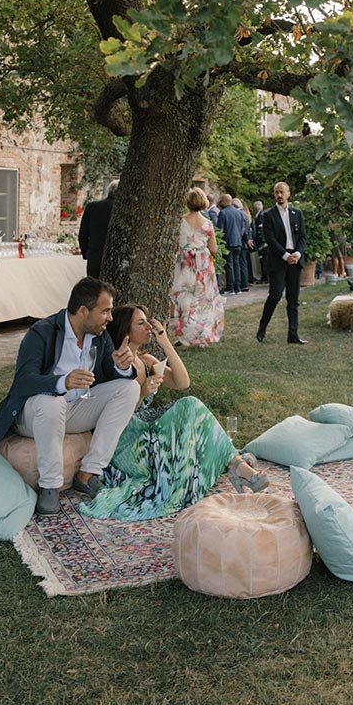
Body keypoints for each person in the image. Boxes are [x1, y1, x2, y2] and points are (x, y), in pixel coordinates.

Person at [79, 303, 266, 520]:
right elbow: (114, 415)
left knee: (190, 404)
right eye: (141, 323)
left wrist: (165, 342)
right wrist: (141, 393)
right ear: (125, 331)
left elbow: (182, 382)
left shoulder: (147, 361)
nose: (148, 326)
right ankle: (236, 465)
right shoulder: (112, 363)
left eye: (148, 322)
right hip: (127, 439)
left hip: (149, 429)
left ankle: (236, 465)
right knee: (189, 409)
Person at [0, 276, 140, 514]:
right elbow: (24, 381)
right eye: (105, 311)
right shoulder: (42, 332)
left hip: (75, 409)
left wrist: (123, 366)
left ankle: (89, 473)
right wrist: (62, 381)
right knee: (51, 401)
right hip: (35, 413)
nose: (110, 318)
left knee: (130, 388)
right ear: (83, 310)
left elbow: (111, 372)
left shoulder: (100, 335)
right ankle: (50, 486)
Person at [169, 187, 224, 347]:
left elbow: (174, 247)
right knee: (203, 300)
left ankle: (183, 335)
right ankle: (201, 337)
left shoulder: (180, 221)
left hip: (184, 263)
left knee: (183, 298)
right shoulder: (207, 224)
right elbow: (213, 249)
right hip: (202, 264)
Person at [256, 181, 308, 344]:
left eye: (282, 192)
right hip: (278, 259)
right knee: (275, 295)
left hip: (295, 259)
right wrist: (286, 255)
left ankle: (293, 334)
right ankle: (262, 327)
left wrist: (298, 253)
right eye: (276, 192)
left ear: (288, 194)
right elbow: (270, 240)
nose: (279, 195)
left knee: (293, 299)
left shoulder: (297, 213)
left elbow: (303, 237)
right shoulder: (269, 215)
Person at [78, 180, 118, 278]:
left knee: (95, 288)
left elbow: (83, 234)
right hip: (115, 258)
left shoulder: (92, 207)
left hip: (95, 256)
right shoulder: (123, 209)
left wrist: (87, 254)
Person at [216, 193, 246, 295]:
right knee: (236, 264)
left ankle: (230, 287)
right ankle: (237, 287)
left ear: (224, 202)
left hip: (228, 242)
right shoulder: (239, 213)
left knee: (229, 265)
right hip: (238, 241)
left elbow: (220, 230)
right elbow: (242, 228)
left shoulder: (223, 213)